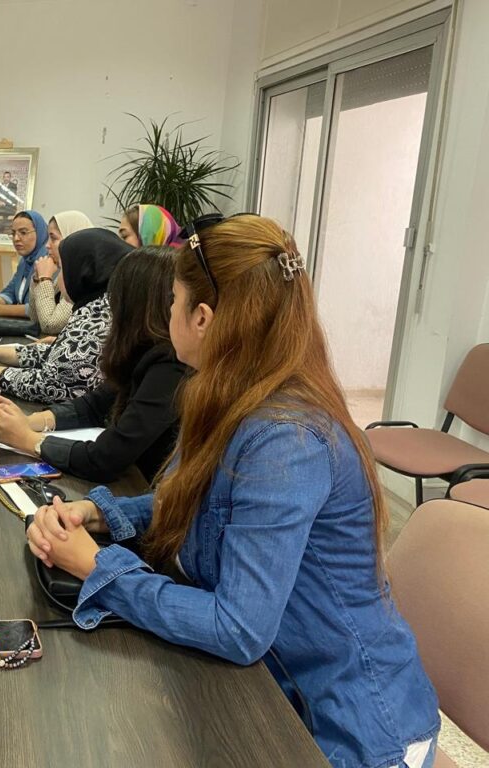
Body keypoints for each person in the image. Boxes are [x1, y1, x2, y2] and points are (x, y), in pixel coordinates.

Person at [25, 214, 440, 768]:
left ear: (202, 317)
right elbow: (206, 502)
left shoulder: (287, 439)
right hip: (277, 693)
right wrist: (101, 516)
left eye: (172, 300)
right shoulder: (235, 394)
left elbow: (238, 628)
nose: (166, 313)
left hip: (346, 731)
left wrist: (98, 568)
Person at [0, 246, 185, 482]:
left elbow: (107, 457)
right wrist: (29, 422)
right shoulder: (143, 348)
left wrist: (28, 440)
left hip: (142, 488)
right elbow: (94, 405)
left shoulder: (170, 365)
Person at [0, 228, 131, 404]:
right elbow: (56, 355)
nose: (60, 277)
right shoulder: (96, 306)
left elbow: (47, 383)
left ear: (84, 272)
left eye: (63, 269)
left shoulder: (98, 319)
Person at [26, 210, 94, 335]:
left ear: (72, 238)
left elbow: (50, 325)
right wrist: (37, 279)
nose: (47, 245)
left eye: (53, 238)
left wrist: (44, 279)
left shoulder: (84, 276)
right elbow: (36, 320)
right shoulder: (65, 272)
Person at [0, 210, 49, 319]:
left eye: (23, 233)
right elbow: (11, 290)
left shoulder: (48, 262)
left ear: (39, 232)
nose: (16, 239)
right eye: (13, 233)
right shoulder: (25, 261)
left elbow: (37, 309)